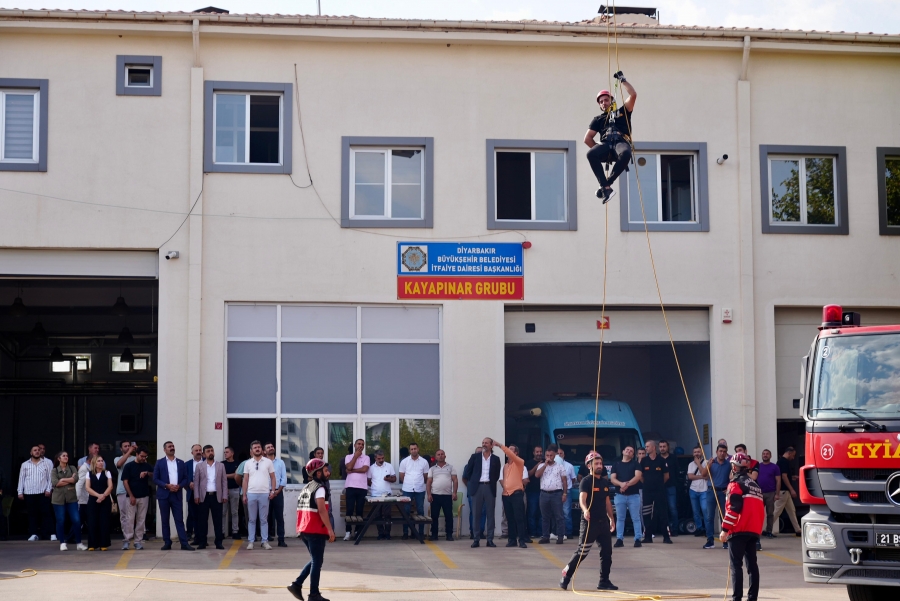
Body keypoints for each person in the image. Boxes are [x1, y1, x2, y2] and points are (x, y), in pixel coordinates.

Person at [560, 452, 617, 591]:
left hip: (603, 522)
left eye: (600, 463)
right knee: (582, 552)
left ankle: (604, 581)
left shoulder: (604, 482)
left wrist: (611, 519)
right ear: (589, 465)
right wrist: (585, 510)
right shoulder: (586, 481)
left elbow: (607, 502)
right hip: (589, 523)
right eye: (596, 463)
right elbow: (582, 499)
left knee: (607, 553)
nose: (599, 466)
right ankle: (566, 575)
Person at [584, 71, 637, 203]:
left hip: (620, 141)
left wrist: (622, 80)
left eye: (606, 100)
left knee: (625, 153)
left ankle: (608, 183)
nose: (603, 103)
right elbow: (588, 138)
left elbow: (633, 95)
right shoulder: (598, 119)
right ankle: (605, 187)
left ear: (612, 100)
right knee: (591, 154)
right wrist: (600, 151)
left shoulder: (622, 112)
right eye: (601, 101)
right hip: (606, 144)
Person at [287, 459, 335, 601]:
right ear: (318, 473)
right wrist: (330, 530)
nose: (328, 473)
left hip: (305, 529)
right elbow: (321, 510)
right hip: (315, 530)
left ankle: (297, 584)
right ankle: (313, 594)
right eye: (326, 471)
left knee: (316, 560)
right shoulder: (320, 488)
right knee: (317, 560)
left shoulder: (307, 487)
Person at [720, 453, 764, 601]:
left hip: (738, 530)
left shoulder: (735, 484)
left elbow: (735, 508)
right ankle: (752, 598)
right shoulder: (756, 486)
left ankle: (736, 598)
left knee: (736, 566)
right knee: (752, 567)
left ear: (734, 467)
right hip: (753, 531)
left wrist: (725, 529)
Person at [152, 440, 195, 551]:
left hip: (176, 495)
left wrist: (179, 486)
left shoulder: (181, 462)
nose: (172, 448)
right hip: (164, 495)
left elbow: (186, 478)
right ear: (164, 450)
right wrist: (166, 485)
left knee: (179, 520)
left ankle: (184, 543)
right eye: (169, 446)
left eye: (173, 446)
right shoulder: (159, 462)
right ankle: (167, 542)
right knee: (165, 520)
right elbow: (155, 479)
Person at [463, 437, 502, 548]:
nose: (484, 444)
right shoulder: (475, 457)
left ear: (491, 445)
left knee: (490, 514)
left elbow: (497, 474)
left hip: (489, 487)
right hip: (477, 487)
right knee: (476, 514)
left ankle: (490, 539)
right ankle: (476, 539)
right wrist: (474, 482)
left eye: (486, 443)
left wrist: (491, 482)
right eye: (483, 443)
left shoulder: (495, 459)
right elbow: (468, 472)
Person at [242, 440, 276, 550]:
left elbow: (273, 477)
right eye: (255, 447)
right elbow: (245, 479)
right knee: (251, 519)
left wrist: (272, 491)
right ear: (251, 450)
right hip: (251, 493)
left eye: (259, 447)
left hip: (264, 494)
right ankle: (251, 541)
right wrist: (244, 494)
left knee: (264, 519)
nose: (257, 449)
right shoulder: (248, 463)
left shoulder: (268, 462)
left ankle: (264, 541)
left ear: (262, 449)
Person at [193, 444, 227, 550]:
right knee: (202, 521)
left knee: (218, 521)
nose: (210, 452)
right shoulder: (199, 466)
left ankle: (219, 542)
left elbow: (224, 482)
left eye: (212, 450)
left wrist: (225, 495)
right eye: (208, 451)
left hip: (217, 496)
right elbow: (196, 482)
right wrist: (196, 496)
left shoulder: (220, 466)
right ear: (204, 454)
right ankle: (202, 542)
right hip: (204, 497)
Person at [17, 444, 53, 541]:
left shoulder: (46, 463)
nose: (37, 451)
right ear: (31, 452)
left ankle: (46, 534)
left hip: (43, 492)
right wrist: (20, 491)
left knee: (45, 513)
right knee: (32, 514)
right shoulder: (25, 464)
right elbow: (21, 478)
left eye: (38, 450)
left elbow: (50, 478)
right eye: (35, 450)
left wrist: (48, 489)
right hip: (29, 492)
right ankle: (33, 533)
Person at [609, 445, 642, 548]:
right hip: (620, 495)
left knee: (636, 518)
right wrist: (621, 484)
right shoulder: (616, 464)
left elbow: (637, 477)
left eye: (631, 451)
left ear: (633, 455)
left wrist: (625, 485)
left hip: (634, 495)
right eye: (627, 449)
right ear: (623, 451)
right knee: (620, 518)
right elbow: (612, 479)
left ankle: (637, 539)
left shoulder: (636, 464)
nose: (628, 451)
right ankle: (619, 539)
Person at [497, 442, 528, 548]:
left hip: (516, 493)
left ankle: (522, 540)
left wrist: (499, 445)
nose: (508, 451)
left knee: (519, 518)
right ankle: (512, 539)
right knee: (509, 518)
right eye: (508, 449)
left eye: (511, 450)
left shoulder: (519, 462)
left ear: (516, 453)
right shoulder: (505, 466)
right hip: (506, 495)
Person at [640, 440, 672, 544]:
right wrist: (647, 483)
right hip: (647, 491)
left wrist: (658, 484)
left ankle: (666, 537)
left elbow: (666, 476)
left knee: (663, 513)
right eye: (645, 446)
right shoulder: (644, 461)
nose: (646, 448)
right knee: (646, 513)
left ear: (654, 447)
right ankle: (648, 537)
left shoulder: (661, 460)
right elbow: (640, 476)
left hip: (659, 491)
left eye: (648, 446)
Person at [50, 451, 83, 551]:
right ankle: (62, 543)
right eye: (63, 456)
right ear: (59, 458)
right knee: (60, 520)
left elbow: (75, 479)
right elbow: (56, 483)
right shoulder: (54, 470)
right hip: (58, 499)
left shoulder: (72, 468)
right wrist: (69, 479)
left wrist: (63, 480)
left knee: (76, 520)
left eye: (67, 456)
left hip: (71, 498)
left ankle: (79, 543)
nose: (66, 457)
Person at [536, 444, 568, 545]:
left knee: (559, 516)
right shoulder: (541, 465)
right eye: (547, 455)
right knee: (545, 516)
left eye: (551, 455)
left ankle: (560, 536)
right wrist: (545, 465)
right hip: (544, 494)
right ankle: (545, 536)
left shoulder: (559, 466)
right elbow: (537, 475)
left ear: (554, 456)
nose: (549, 457)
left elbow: (564, 481)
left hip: (556, 493)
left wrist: (564, 494)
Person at [122, 446, 152, 550]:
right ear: (137, 454)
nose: (144, 458)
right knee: (129, 519)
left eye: (145, 456)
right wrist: (131, 495)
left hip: (144, 496)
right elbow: (125, 481)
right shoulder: (128, 466)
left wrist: (147, 473)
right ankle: (127, 540)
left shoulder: (147, 465)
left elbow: (154, 475)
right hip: (132, 496)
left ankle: (138, 541)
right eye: (142, 456)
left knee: (141, 519)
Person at [399, 441, 430, 541]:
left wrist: (418, 483)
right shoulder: (404, 461)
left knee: (420, 510)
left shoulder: (424, 462)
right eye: (411, 449)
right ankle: (405, 533)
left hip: (420, 489)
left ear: (418, 449)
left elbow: (426, 476)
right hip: (407, 489)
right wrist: (408, 483)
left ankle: (420, 533)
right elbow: (401, 475)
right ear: (409, 450)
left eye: (415, 449)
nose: (413, 450)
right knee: (406, 511)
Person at [426, 449, 458, 542]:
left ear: (445, 456)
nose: (440, 456)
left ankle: (449, 535)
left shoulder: (451, 467)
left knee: (449, 516)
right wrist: (429, 494)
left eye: (442, 454)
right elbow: (428, 482)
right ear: (436, 457)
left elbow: (455, 480)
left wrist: (454, 492)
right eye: (438, 454)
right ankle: (434, 535)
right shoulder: (432, 469)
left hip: (447, 496)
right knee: (434, 516)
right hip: (435, 495)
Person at [686, 444, 714, 548]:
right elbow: (690, 476)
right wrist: (701, 476)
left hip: (704, 491)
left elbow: (707, 476)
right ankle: (699, 528)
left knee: (705, 511)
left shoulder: (707, 463)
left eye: (698, 452)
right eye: (695, 452)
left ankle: (708, 531)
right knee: (696, 511)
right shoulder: (690, 464)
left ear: (702, 452)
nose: (696, 454)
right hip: (693, 490)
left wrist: (698, 464)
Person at [343, 439, 370, 541]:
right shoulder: (348, 457)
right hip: (350, 486)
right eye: (359, 444)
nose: (360, 446)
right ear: (354, 445)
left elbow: (364, 469)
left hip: (362, 487)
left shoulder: (366, 457)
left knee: (359, 510)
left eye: (362, 444)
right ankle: (348, 532)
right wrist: (356, 456)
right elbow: (348, 466)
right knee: (349, 510)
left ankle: (358, 532)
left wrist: (351, 471)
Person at [366, 449, 396, 540]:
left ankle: (387, 534)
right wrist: (376, 487)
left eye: (382, 458)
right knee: (377, 515)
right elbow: (368, 481)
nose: (381, 460)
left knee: (387, 515)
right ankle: (380, 533)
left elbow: (394, 479)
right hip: (375, 495)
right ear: (375, 458)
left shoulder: (389, 466)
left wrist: (388, 479)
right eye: (379, 458)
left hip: (387, 495)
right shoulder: (371, 468)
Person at [85, 455, 113, 551]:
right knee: (92, 522)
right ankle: (92, 544)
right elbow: (88, 488)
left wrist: (103, 496)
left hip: (105, 500)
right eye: (99, 461)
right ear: (94, 463)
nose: (101, 462)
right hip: (93, 500)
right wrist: (98, 496)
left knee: (104, 521)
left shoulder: (107, 473)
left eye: (102, 460)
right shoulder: (89, 474)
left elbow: (110, 486)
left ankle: (103, 544)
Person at [772, 447, 802, 537]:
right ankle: (766, 528)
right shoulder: (784, 462)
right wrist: (792, 489)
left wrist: (792, 477)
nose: (793, 457)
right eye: (793, 455)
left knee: (791, 510)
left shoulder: (780, 462)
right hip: (783, 490)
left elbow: (784, 476)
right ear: (789, 453)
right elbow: (784, 476)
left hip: (785, 491)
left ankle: (798, 530)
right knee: (777, 511)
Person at [707, 444, 731, 549]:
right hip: (711, 491)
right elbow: (704, 474)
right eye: (720, 451)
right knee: (709, 517)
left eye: (724, 451)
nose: (722, 453)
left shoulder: (729, 464)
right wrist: (708, 465)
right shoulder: (711, 462)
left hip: (723, 492)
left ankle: (725, 541)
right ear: (716, 452)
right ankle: (710, 540)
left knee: (724, 517)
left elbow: (732, 478)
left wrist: (729, 488)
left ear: (726, 453)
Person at [114, 441, 136, 550]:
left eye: (129, 446)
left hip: (135, 491)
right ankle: (126, 536)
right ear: (121, 449)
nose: (127, 448)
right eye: (125, 446)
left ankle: (134, 536)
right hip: (122, 490)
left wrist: (136, 452)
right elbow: (119, 465)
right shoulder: (117, 458)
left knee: (134, 515)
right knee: (124, 515)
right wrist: (129, 452)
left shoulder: (135, 458)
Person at [265, 442, 288, 547]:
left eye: (272, 447)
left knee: (279, 517)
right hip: (266, 492)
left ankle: (281, 539)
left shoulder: (280, 462)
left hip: (278, 493)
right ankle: (266, 538)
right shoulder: (263, 463)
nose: (271, 448)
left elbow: (284, 478)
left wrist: (277, 491)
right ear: (264, 451)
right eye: (268, 447)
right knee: (266, 516)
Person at [462, 445, 488, 539]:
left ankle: (480, 532)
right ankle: (473, 532)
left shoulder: (487, 465)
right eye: (478, 452)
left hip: (485, 493)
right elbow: (465, 478)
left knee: (483, 512)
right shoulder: (469, 465)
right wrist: (472, 487)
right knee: (474, 512)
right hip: (473, 493)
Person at [757, 449, 781, 539]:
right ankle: (757, 531)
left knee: (770, 514)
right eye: (763, 454)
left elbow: (778, 480)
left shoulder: (775, 467)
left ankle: (769, 531)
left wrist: (777, 494)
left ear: (770, 456)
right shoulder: (758, 466)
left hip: (771, 493)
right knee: (758, 514)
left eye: (767, 454)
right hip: (759, 493)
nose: (765, 455)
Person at [658, 440, 679, 537]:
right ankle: (662, 529)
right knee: (661, 509)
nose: (662, 448)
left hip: (671, 486)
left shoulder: (673, 458)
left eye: (664, 446)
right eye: (661, 446)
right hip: (660, 487)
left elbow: (677, 471)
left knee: (672, 508)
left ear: (668, 447)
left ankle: (675, 529)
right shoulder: (657, 459)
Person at [556, 447, 577, 538]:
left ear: (564, 455)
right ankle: (557, 532)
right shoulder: (553, 465)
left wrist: (567, 487)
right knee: (556, 512)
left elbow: (573, 479)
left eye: (561, 453)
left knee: (566, 512)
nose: (559, 455)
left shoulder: (569, 466)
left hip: (567, 491)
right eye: (558, 454)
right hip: (556, 491)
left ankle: (568, 532)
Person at [222, 446, 241, 540]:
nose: (225, 454)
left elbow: (237, 475)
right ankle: (222, 532)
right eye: (224, 452)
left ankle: (235, 531)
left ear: (232, 453)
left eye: (227, 452)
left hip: (235, 489)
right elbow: (220, 476)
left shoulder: (238, 464)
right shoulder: (222, 464)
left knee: (234, 512)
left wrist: (225, 475)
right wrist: (231, 475)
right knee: (223, 512)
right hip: (224, 491)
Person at [525, 445, 543, 538]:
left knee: (542, 513)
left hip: (543, 491)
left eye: (540, 452)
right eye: (537, 452)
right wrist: (538, 465)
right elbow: (528, 474)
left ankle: (540, 533)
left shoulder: (545, 463)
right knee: (532, 512)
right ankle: (532, 532)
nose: (539, 454)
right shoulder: (529, 463)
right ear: (533, 453)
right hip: (532, 491)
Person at [185, 443, 203, 542]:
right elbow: (184, 476)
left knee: (202, 516)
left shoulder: (206, 462)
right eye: (196, 450)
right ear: (192, 452)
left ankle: (200, 536)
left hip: (203, 493)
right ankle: (190, 533)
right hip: (191, 493)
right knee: (192, 514)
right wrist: (189, 483)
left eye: (200, 450)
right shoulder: (187, 464)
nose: (198, 452)